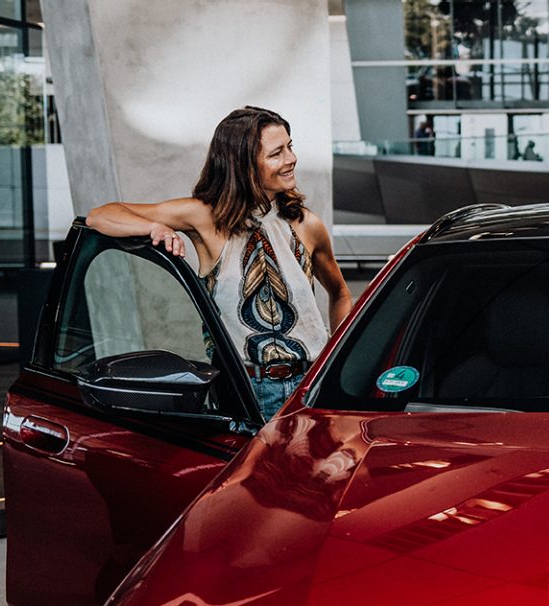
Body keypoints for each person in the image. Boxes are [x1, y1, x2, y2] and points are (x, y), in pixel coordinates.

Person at [86, 106, 352, 420]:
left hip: (312, 388)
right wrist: (153, 227)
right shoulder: (205, 217)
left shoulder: (306, 224)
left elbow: (340, 294)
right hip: (245, 390)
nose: (291, 159)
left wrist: (340, 361)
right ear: (243, 163)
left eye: (290, 147)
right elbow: (100, 216)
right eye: (276, 153)